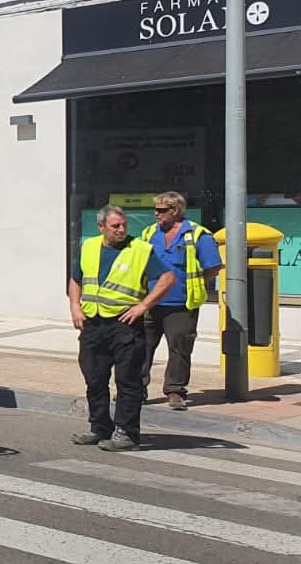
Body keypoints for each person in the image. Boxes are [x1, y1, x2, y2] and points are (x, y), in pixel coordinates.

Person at [69, 205, 177, 451]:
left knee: (128, 381)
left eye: (123, 225)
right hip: (93, 323)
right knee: (94, 378)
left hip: (125, 325)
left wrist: (143, 306)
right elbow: (76, 279)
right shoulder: (89, 247)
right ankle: (99, 427)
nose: (121, 230)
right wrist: (75, 306)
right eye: (115, 226)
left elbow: (168, 278)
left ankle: (126, 433)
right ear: (101, 227)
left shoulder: (138, 249)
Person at [139, 192, 221, 410]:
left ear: (176, 211)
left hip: (181, 304)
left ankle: (175, 391)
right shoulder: (148, 233)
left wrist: (190, 284)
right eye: (155, 209)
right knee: (141, 347)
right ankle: (136, 390)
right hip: (150, 302)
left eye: (162, 210)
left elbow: (213, 267)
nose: (156, 213)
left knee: (180, 349)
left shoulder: (197, 234)